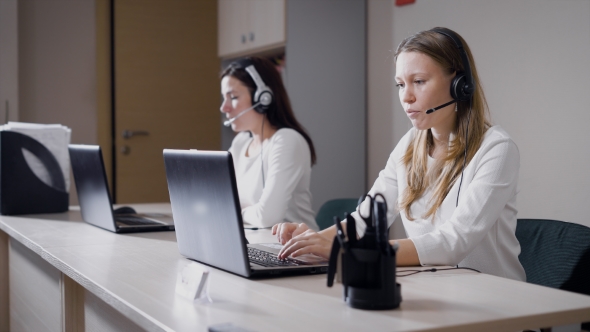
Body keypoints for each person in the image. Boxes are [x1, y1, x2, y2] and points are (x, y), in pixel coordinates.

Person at [273, 27, 526, 281]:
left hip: (494, 300)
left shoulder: (496, 149)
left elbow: (453, 242)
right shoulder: (410, 145)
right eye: (400, 84)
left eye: (419, 81)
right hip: (434, 289)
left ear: (460, 84)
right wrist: (314, 240)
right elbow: (366, 220)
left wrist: (349, 250)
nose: (406, 96)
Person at [220, 56, 318, 230]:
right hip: (256, 240)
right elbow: (221, 199)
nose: (224, 107)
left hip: (296, 249)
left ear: (263, 97)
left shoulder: (287, 140)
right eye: (224, 98)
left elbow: (268, 217)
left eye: (233, 97)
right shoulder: (240, 142)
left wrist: (235, 211)